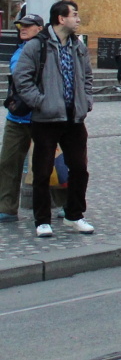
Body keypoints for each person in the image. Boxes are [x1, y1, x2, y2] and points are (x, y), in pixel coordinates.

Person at [11, 0, 95, 237]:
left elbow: (87, 76)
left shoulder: (77, 45)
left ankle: (74, 215)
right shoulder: (37, 46)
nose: (78, 19)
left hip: (74, 118)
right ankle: (42, 220)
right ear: (61, 19)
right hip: (46, 119)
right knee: (42, 170)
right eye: (74, 15)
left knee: (79, 169)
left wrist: (86, 100)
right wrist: (41, 102)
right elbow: (21, 78)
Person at [0, 14, 45, 222]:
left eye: (28, 26)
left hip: (41, 117)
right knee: (8, 162)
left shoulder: (47, 51)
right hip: (17, 116)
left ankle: (65, 203)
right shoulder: (19, 50)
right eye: (21, 26)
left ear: (40, 28)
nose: (22, 29)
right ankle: (7, 208)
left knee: (51, 163)